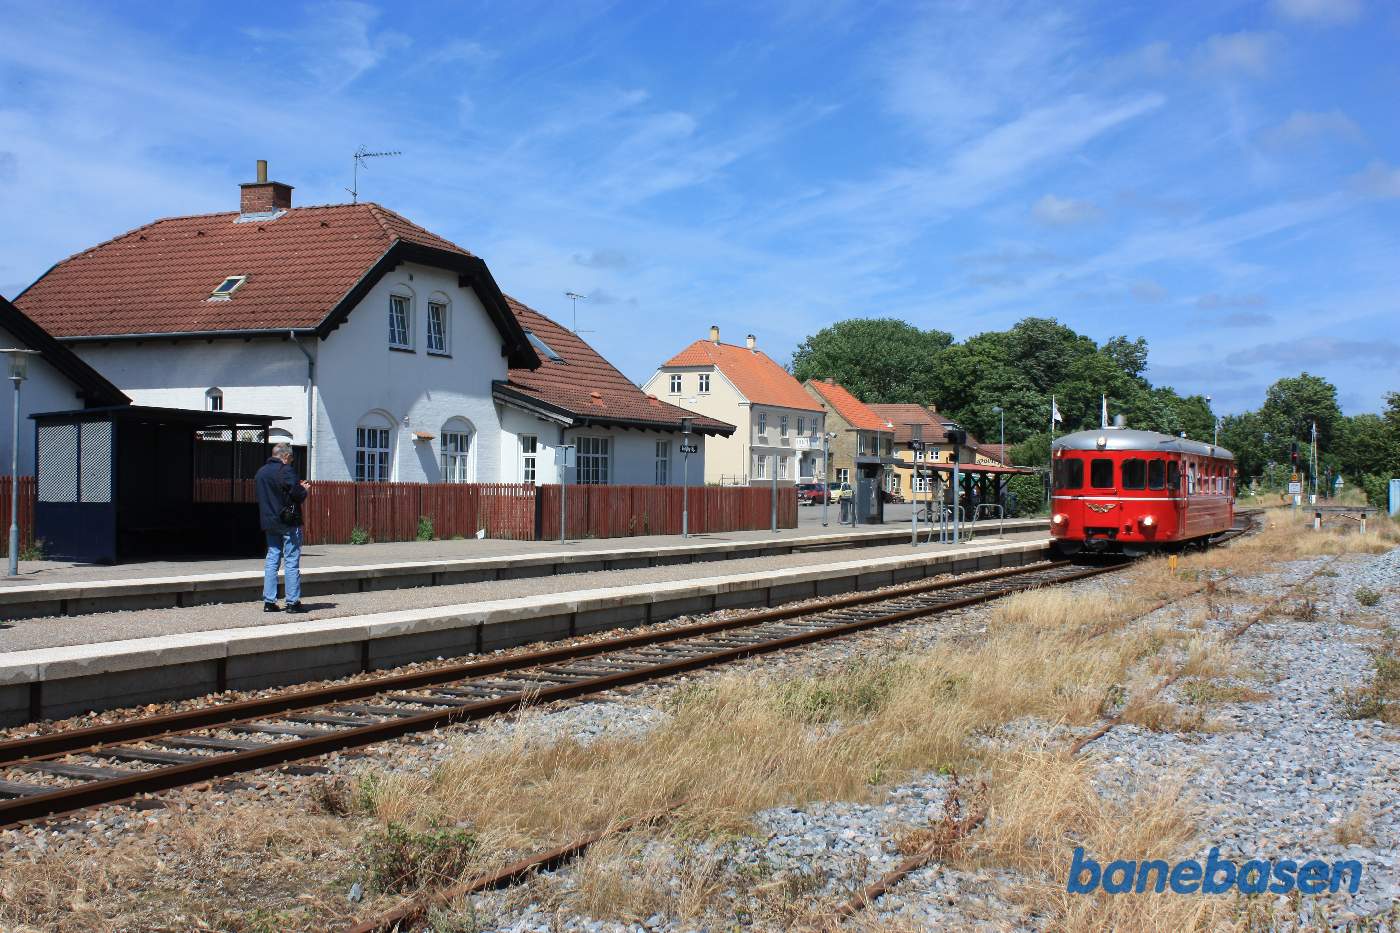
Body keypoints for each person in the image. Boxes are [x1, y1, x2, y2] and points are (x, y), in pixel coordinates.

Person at [255, 442, 310, 613]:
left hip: (269, 522)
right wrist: (304, 489)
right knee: (291, 560)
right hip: (288, 522)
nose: (291, 461)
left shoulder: (261, 473)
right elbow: (297, 494)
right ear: (285, 456)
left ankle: (269, 602)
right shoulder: (286, 471)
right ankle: (292, 602)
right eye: (291, 458)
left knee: (272, 559)